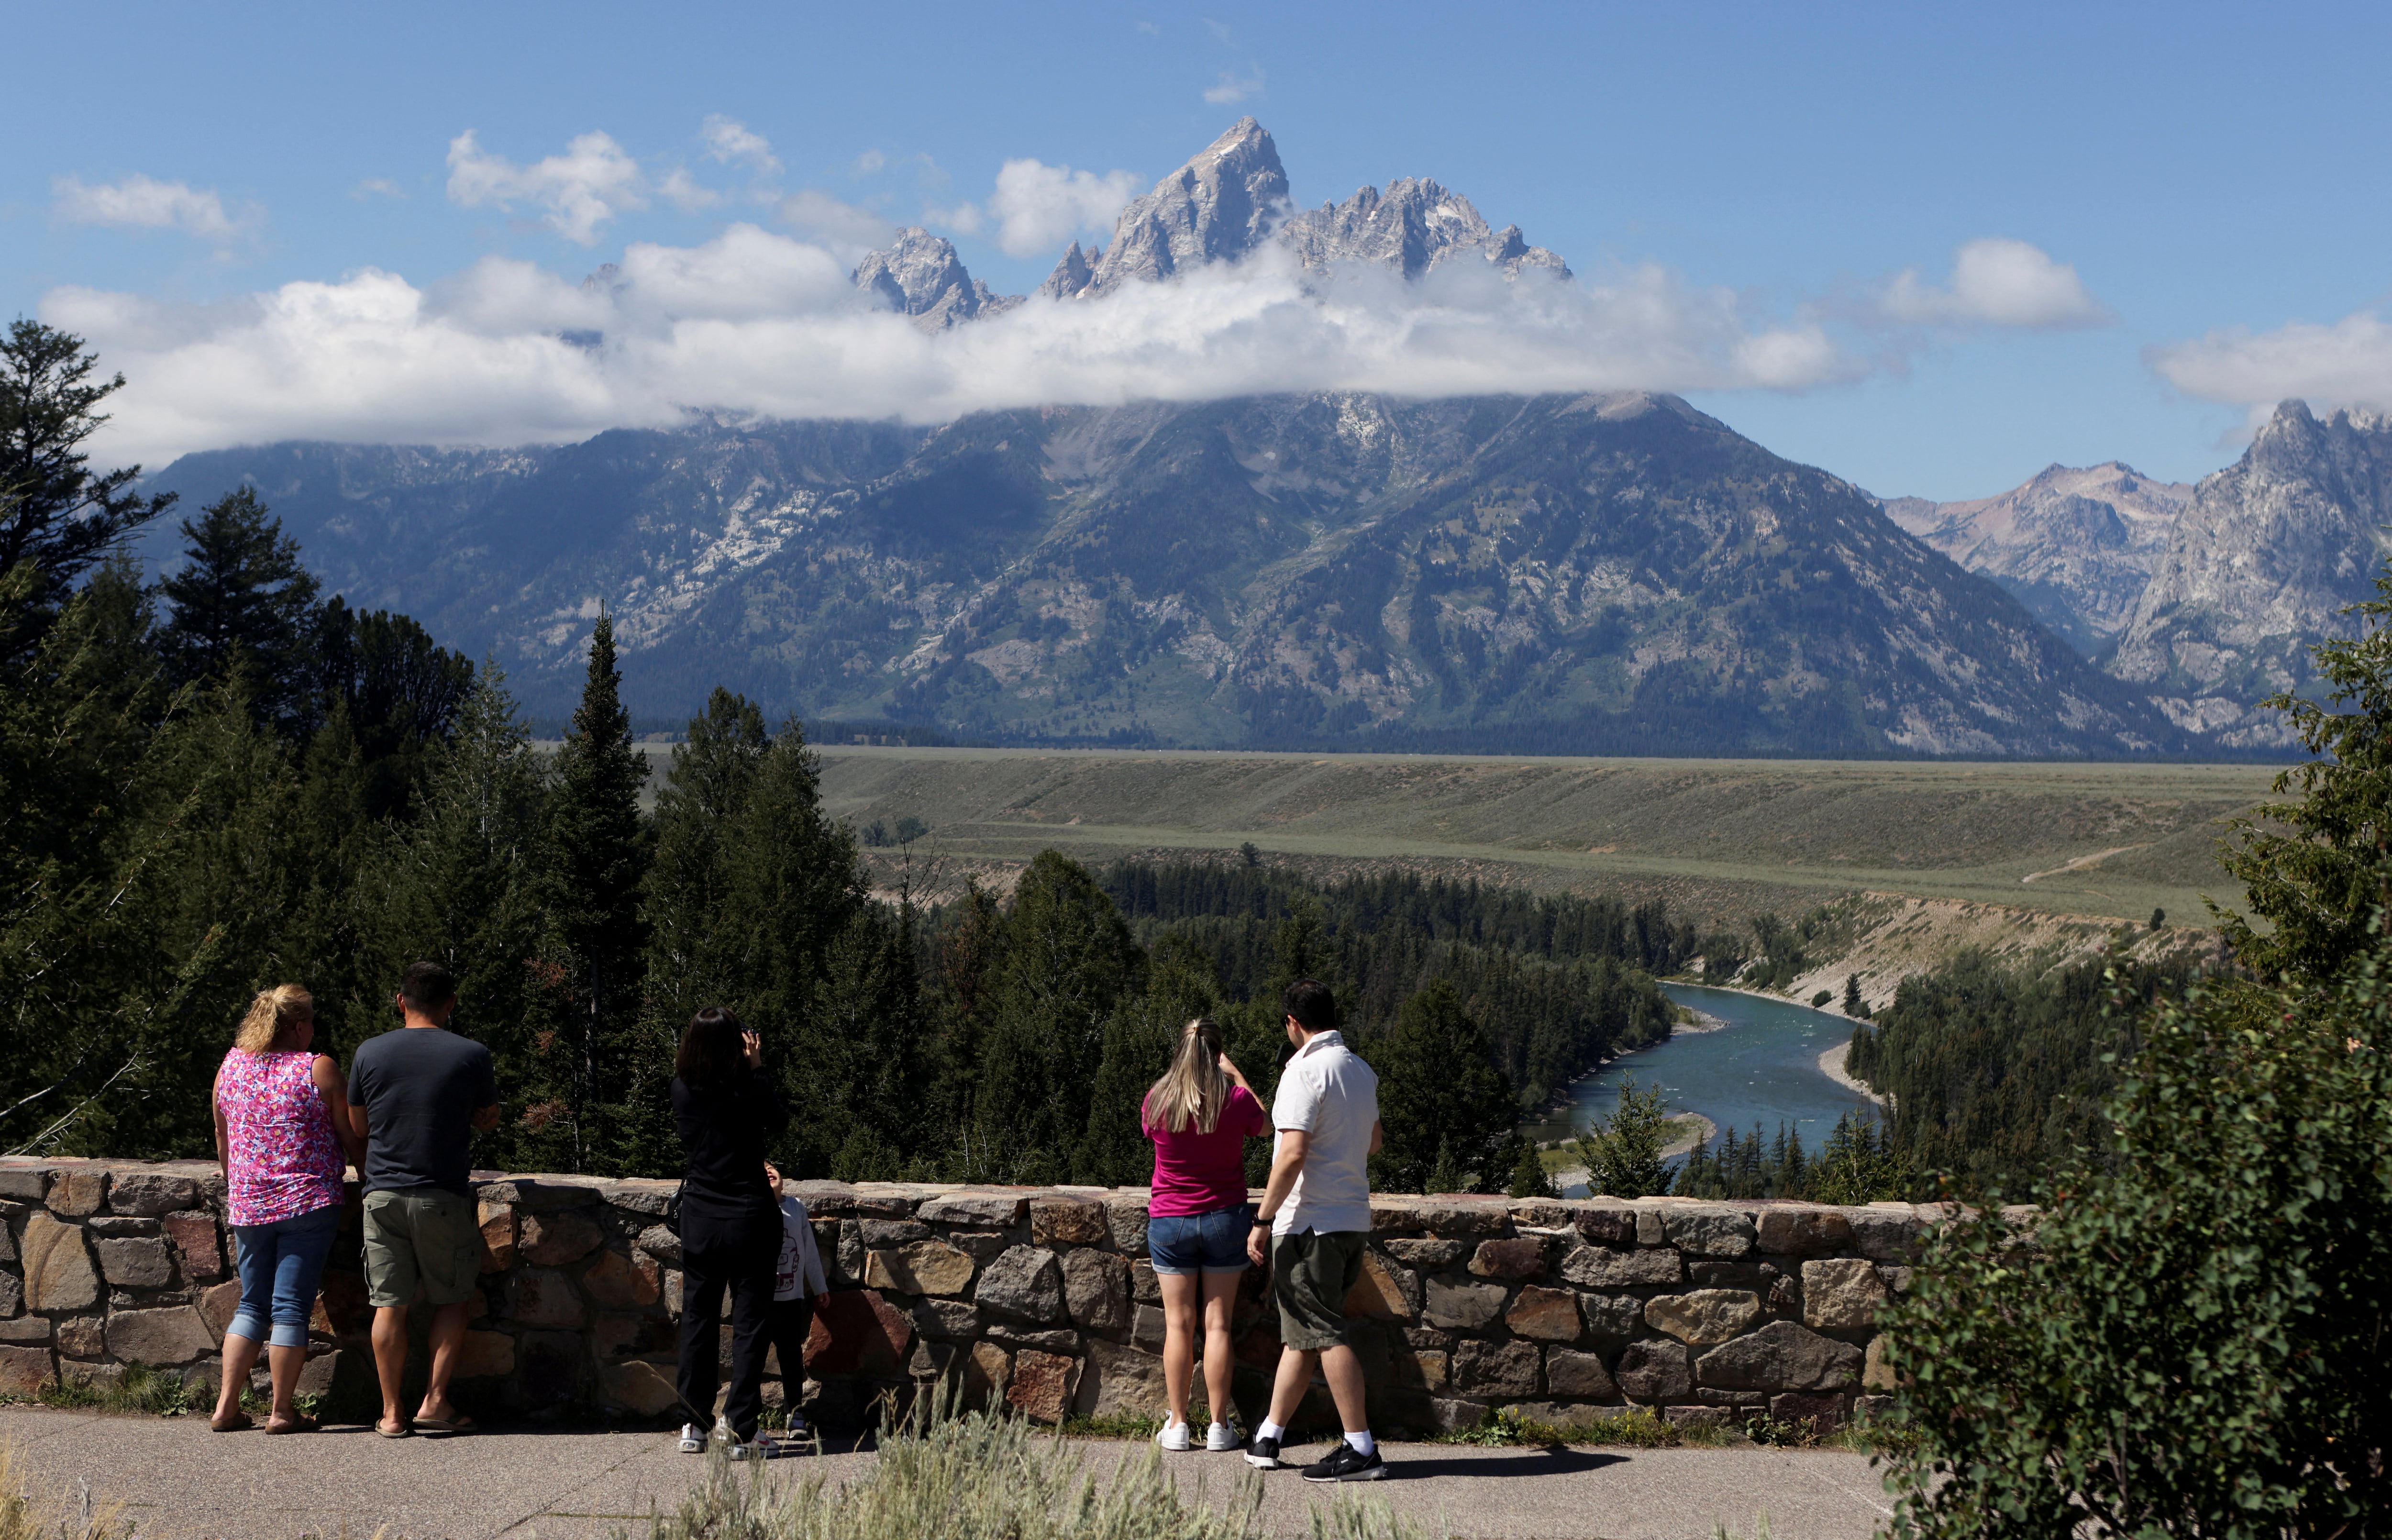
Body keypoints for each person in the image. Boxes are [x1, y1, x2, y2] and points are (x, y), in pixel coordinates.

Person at [346, 961, 499, 1439]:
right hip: (441, 1193)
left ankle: (391, 1414)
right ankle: (435, 1401)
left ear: (401, 1002)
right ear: (450, 1004)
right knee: (453, 1299)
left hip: (382, 1193)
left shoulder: (369, 1053)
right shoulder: (471, 1054)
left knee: (389, 1304)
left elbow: (358, 1127)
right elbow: (488, 1120)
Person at [1244, 978, 1386, 1483]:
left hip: (1310, 1223)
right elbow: (1373, 1142)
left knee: (1322, 1333)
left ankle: (1360, 1447)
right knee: (1303, 1335)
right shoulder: (1359, 1070)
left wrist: (1261, 1221)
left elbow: (1291, 1154)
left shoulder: (1302, 1073)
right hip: (1350, 1219)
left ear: (1292, 1023)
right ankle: (1269, 1436)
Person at [209, 985, 363, 1434]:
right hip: (308, 1203)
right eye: (311, 1021)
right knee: (291, 1308)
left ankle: (225, 1406)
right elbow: (353, 1138)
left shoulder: (231, 1065)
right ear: (298, 1026)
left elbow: (224, 1139)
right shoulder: (317, 1069)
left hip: (249, 1202)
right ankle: (281, 1411)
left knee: (252, 1303)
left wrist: (240, 1183)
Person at [1141, 1016, 1270, 1453]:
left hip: (1171, 1219)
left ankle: (1177, 1424)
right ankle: (1219, 1426)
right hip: (1224, 1217)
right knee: (1218, 1324)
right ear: (1218, 1054)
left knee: (1179, 1323)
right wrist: (1235, 1073)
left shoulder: (1158, 1099)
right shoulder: (1233, 1099)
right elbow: (1268, 1125)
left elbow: (1152, 1128)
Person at [671, 1007, 789, 1460]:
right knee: (749, 1324)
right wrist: (757, 1068)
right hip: (750, 1217)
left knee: (698, 1320)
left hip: (700, 1217)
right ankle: (741, 1429)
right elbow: (778, 1121)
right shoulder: (748, 1091)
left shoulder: (681, 1090)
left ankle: (694, 1424)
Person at [763, 1161, 828, 1438]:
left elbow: (810, 1251)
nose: (767, 1171)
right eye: (760, 1170)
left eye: (771, 1167)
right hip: (760, 1298)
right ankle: (745, 1416)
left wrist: (820, 1286)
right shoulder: (752, 1205)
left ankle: (795, 1413)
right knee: (752, 1357)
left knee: (790, 1356)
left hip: (790, 1298)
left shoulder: (795, 1208)